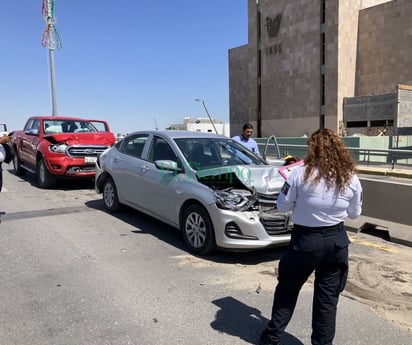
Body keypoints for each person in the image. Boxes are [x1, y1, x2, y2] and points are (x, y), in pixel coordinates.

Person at [258, 128, 363, 345]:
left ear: (312, 149)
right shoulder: (351, 178)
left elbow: (282, 205)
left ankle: (272, 337)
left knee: (288, 288)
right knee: (327, 297)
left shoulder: (299, 174)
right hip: (336, 240)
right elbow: (354, 213)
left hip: (306, 240)